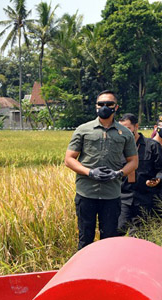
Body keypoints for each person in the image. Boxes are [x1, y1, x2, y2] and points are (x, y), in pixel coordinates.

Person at [64, 90, 138, 250]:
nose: (104, 107)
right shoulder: (83, 130)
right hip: (86, 193)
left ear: (116, 107)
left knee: (109, 241)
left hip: (112, 194)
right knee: (85, 239)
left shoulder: (125, 133)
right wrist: (90, 172)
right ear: (96, 106)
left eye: (109, 104)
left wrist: (119, 173)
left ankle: (105, 273)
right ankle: (84, 273)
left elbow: (133, 162)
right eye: (101, 104)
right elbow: (69, 159)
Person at [116, 113, 162, 235]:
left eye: (128, 128)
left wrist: (157, 180)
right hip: (123, 197)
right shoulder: (117, 147)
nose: (124, 132)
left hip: (145, 198)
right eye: (121, 129)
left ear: (136, 126)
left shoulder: (152, 146)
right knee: (119, 230)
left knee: (140, 235)